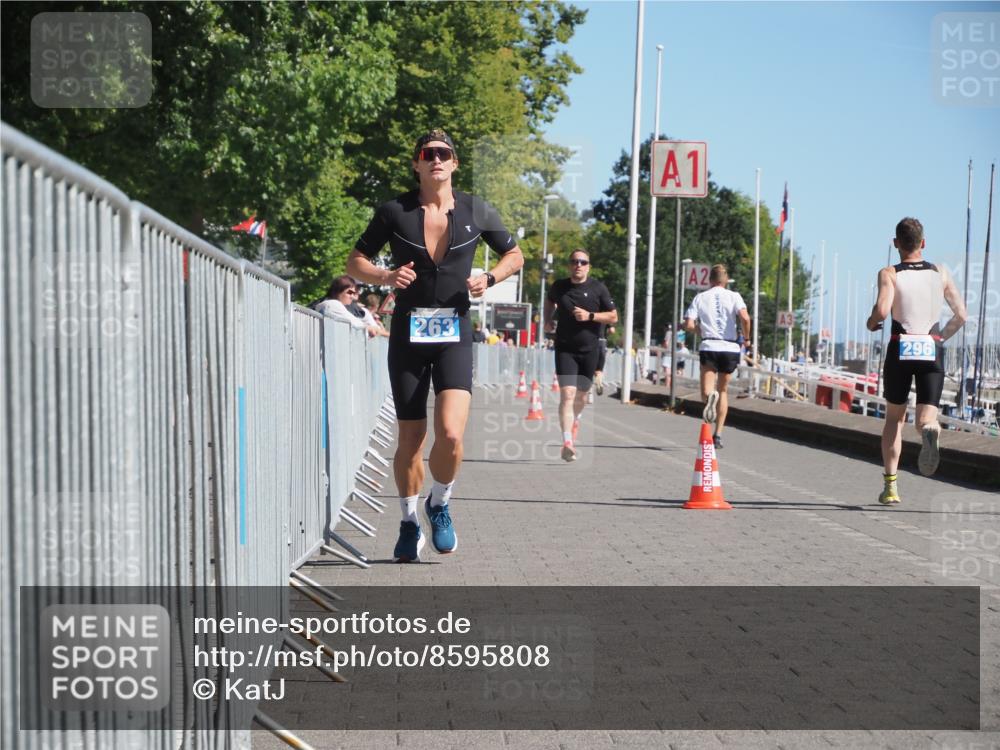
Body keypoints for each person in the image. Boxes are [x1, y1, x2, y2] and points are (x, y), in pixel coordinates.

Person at [346, 129, 524, 562]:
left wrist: (490, 278)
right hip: (408, 333)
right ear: (417, 164)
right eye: (428, 154)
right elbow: (355, 262)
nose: (437, 160)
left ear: (455, 163)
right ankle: (408, 521)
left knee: (450, 433)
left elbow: (515, 256)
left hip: (454, 334)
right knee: (410, 437)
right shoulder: (395, 211)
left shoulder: (476, 209)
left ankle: (439, 503)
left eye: (444, 154)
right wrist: (385, 276)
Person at [865, 217, 966, 505]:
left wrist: (871, 321)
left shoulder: (889, 273)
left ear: (896, 243)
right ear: (923, 243)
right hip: (930, 349)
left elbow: (883, 311)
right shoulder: (941, 272)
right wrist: (940, 339)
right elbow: (961, 316)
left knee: (894, 420)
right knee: (925, 418)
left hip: (901, 349)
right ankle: (930, 431)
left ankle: (891, 487)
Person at [544, 249, 618, 462]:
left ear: (588, 266)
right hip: (565, 348)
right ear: (569, 265)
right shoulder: (559, 286)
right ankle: (567, 442)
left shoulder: (598, 288)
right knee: (567, 395)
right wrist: (547, 319)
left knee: (581, 396)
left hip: (590, 350)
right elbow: (549, 301)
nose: (578, 265)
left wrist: (590, 316)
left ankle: (575, 420)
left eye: (583, 262)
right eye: (574, 261)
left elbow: (613, 316)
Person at [684, 264, 751, 450]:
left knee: (706, 391)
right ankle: (718, 435)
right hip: (730, 347)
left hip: (710, 344)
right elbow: (745, 318)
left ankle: (709, 397)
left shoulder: (700, 297)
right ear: (726, 280)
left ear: (710, 280)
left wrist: (701, 329)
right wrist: (746, 339)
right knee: (723, 391)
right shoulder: (734, 296)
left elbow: (688, 324)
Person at [315, 276, 386, 337]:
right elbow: (359, 325)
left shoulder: (330, 304)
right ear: (337, 291)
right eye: (350, 292)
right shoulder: (332, 304)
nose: (353, 296)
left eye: (355, 292)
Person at [593, 325, 613, 395]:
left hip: (592, 341)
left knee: (591, 367)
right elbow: (612, 330)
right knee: (599, 369)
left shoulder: (591, 316)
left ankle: (588, 392)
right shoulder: (606, 318)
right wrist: (606, 333)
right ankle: (599, 383)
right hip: (603, 342)